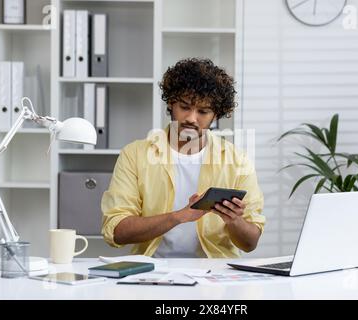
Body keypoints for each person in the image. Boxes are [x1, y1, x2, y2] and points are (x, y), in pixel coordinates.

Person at [101, 58, 265, 258]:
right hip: (151, 272)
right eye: (185, 107)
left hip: (214, 276)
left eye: (203, 111)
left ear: (216, 114)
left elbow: (250, 243)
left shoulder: (237, 160)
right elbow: (117, 231)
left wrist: (234, 221)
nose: (191, 118)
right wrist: (179, 217)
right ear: (171, 103)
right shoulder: (135, 154)